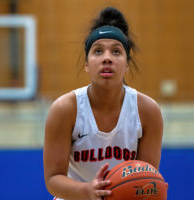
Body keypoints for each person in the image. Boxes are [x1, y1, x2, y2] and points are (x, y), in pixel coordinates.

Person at [43, 6, 163, 200]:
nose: (107, 58)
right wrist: (88, 191)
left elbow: (146, 181)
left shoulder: (147, 111)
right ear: (87, 64)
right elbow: (52, 179)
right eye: (98, 51)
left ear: (127, 64)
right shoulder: (65, 109)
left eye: (116, 52)